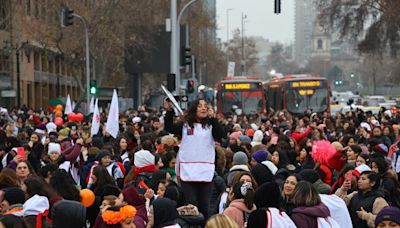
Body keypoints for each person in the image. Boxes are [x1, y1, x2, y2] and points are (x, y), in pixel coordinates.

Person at [164, 99, 224, 219]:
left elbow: (221, 134)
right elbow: (170, 127)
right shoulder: (185, 125)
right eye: (200, 106)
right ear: (194, 109)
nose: (203, 108)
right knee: (191, 205)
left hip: (205, 170)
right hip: (188, 169)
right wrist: (169, 111)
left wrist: (213, 119)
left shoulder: (211, 125)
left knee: (204, 206)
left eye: (205, 106)